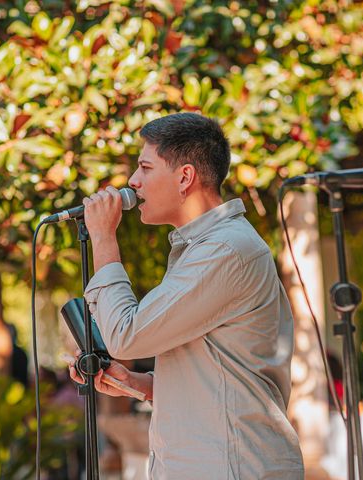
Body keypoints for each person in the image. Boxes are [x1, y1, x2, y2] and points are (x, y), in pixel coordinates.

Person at [69, 113, 304, 479]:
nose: (133, 181)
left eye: (145, 167)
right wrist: (139, 385)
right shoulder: (203, 248)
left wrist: (102, 237)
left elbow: (126, 337)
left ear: (185, 177)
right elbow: (222, 379)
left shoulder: (226, 249)